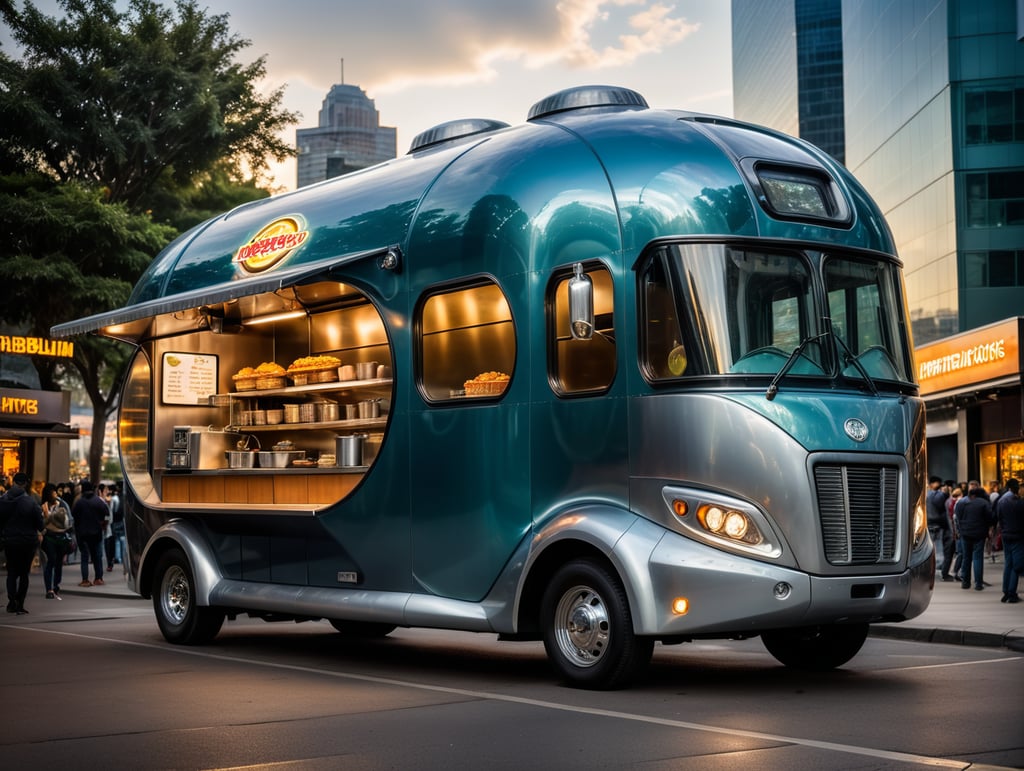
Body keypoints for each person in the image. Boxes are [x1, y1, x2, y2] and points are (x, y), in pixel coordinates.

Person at [0, 473, 45, 614]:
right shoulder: (30, 502)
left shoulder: (3, 500)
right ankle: (20, 602)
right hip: (27, 541)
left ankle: (11, 601)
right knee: (24, 574)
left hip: (10, 540)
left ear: (14, 482)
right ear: (25, 483)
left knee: (11, 572)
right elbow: (40, 524)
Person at [71, 480, 109, 587]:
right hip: (96, 533)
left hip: (82, 534)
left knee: (84, 556)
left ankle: (85, 580)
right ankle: (98, 578)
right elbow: (107, 514)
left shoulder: (79, 502)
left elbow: (74, 516)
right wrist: (103, 525)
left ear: (83, 489)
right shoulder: (98, 501)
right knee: (97, 556)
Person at [957, 484, 996, 591]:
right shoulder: (983, 503)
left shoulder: (961, 503)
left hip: (965, 533)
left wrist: (960, 530)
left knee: (966, 557)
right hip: (979, 533)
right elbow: (990, 518)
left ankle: (965, 581)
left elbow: (958, 518)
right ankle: (978, 583)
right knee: (978, 558)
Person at [41, 483, 72, 599]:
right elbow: (42, 523)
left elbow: (65, 522)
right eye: (52, 492)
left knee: (58, 562)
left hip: (61, 537)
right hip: (49, 537)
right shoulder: (43, 506)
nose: (54, 494)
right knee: (51, 561)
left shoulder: (62, 504)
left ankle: (56, 585)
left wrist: (48, 516)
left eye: (55, 492)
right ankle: (49, 588)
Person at [995, 478, 1023, 604]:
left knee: (1009, 563)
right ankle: (1011, 593)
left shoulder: (1001, 501)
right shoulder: (1019, 502)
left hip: (1006, 534)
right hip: (1018, 535)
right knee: (1016, 565)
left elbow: (998, 517)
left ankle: (1006, 591)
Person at [926, 477, 953, 581]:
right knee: (939, 547)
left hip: (929, 523)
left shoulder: (926, 495)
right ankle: (938, 565)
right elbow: (939, 505)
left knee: (930, 547)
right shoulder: (937, 495)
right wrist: (946, 495)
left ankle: (930, 568)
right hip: (938, 524)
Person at [105, 483, 125, 571]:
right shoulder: (123, 497)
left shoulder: (113, 499)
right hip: (122, 520)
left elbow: (112, 511)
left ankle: (117, 557)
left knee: (117, 540)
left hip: (115, 521)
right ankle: (122, 557)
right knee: (122, 539)